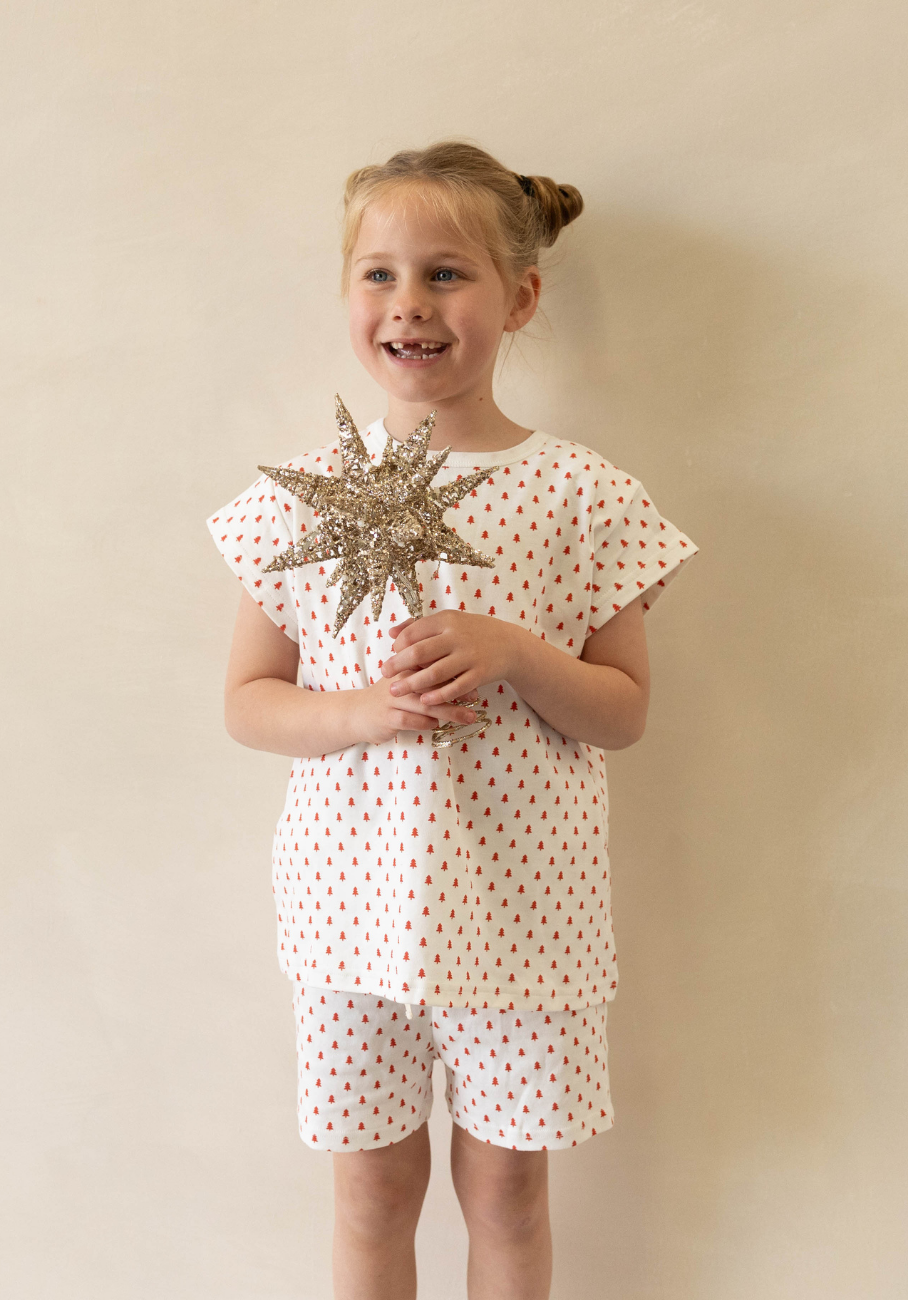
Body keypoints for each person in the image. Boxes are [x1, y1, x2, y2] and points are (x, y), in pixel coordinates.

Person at [206, 140, 698, 1300]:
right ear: (346, 295)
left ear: (519, 298)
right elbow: (247, 701)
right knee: (371, 1195)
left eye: (445, 274)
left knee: (507, 1195)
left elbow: (623, 711)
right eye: (378, 274)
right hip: (350, 912)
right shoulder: (297, 499)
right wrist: (363, 710)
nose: (409, 304)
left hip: (522, 913)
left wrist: (516, 652)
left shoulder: (581, 493)